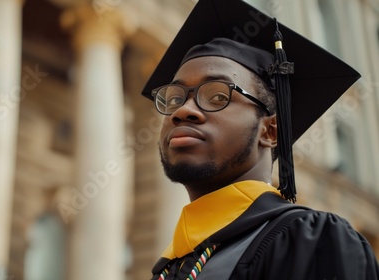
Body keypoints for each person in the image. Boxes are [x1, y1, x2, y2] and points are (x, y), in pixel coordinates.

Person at [140, 0, 379, 279]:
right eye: (174, 98)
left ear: (270, 131)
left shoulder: (308, 242)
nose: (182, 110)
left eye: (218, 96)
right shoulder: (174, 267)